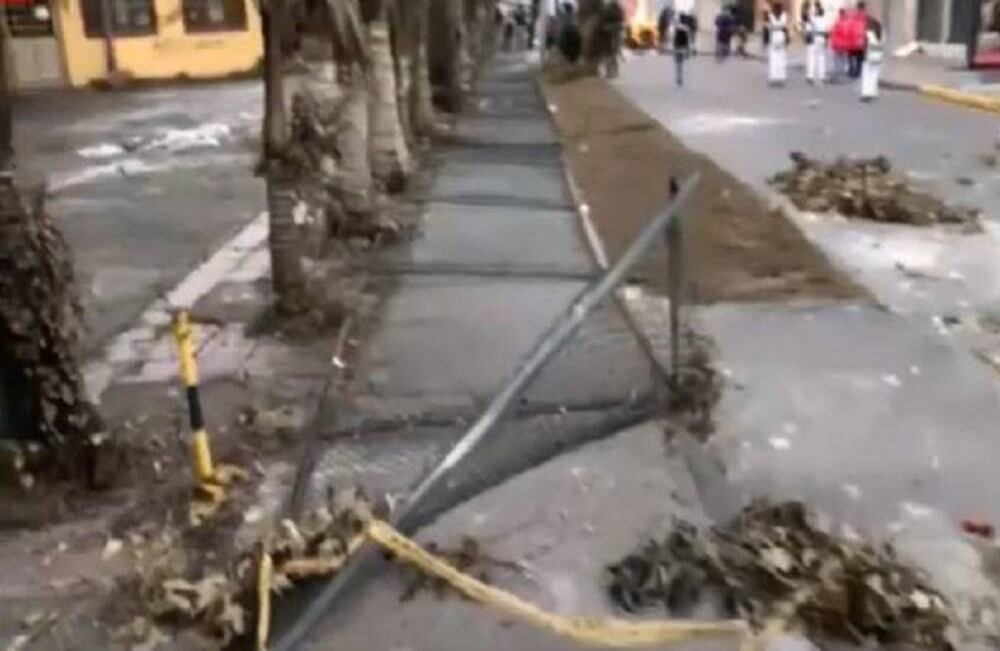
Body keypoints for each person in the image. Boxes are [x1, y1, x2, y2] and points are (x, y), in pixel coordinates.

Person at [803, 1, 828, 83]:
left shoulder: (815, 19)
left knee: (811, 57)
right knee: (822, 58)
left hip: (815, 39)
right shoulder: (825, 20)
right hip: (822, 39)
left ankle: (810, 76)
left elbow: (806, 17)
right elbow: (827, 33)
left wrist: (806, 7)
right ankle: (822, 75)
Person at [860, 16, 883, 100]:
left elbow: (865, 45)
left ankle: (866, 93)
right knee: (874, 75)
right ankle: (873, 92)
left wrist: (864, 54)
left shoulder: (868, 33)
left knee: (866, 75)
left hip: (869, 56)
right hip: (878, 56)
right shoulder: (882, 34)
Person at [600, 1, 625, 77]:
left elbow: (602, 20)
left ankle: (610, 71)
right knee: (613, 52)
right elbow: (621, 19)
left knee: (608, 53)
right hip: (616, 32)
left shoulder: (606, 8)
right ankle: (614, 71)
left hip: (608, 32)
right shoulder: (619, 8)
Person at [766, 2, 789, 85]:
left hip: (774, 36)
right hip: (781, 36)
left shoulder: (771, 16)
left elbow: (768, 26)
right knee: (781, 58)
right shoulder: (784, 16)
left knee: (773, 58)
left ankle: (773, 77)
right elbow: (785, 27)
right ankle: (781, 76)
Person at [846, 2, 867, 78]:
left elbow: (848, 27)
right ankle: (858, 71)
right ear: (864, 8)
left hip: (852, 40)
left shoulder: (853, 16)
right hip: (861, 41)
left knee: (850, 56)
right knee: (859, 58)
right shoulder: (866, 17)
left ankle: (851, 69)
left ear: (857, 7)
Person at [829, 8, 849, 81]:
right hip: (845, 44)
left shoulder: (838, 22)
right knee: (843, 60)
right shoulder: (848, 22)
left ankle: (836, 76)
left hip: (838, 44)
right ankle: (843, 75)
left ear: (840, 13)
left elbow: (833, 32)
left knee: (837, 60)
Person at [673, 16, 692, 86]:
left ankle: (679, 78)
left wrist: (674, 48)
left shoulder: (677, 27)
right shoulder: (686, 29)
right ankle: (680, 78)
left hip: (677, 47)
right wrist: (688, 50)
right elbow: (687, 40)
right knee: (680, 63)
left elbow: (675, 39)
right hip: (683, 47)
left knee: (678, 64)